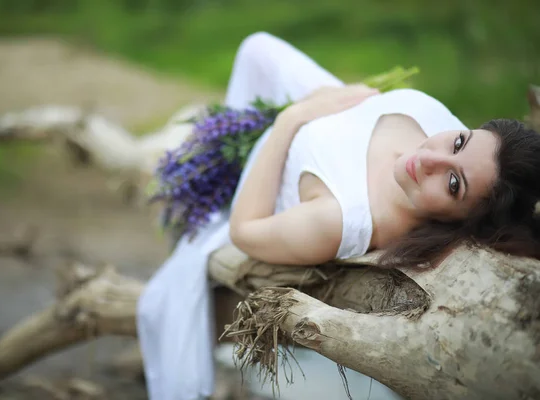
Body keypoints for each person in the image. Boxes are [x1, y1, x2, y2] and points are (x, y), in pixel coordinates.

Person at [137, 32, 540, 400]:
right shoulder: (437, 127)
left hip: (271, 157)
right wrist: (332, 100)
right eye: (459, 140)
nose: (428, 157)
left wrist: (289, 119)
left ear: (463, 218)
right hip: (320, 112)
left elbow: (245, 231)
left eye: (453, 184)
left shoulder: (344, 219)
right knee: (256, 48)